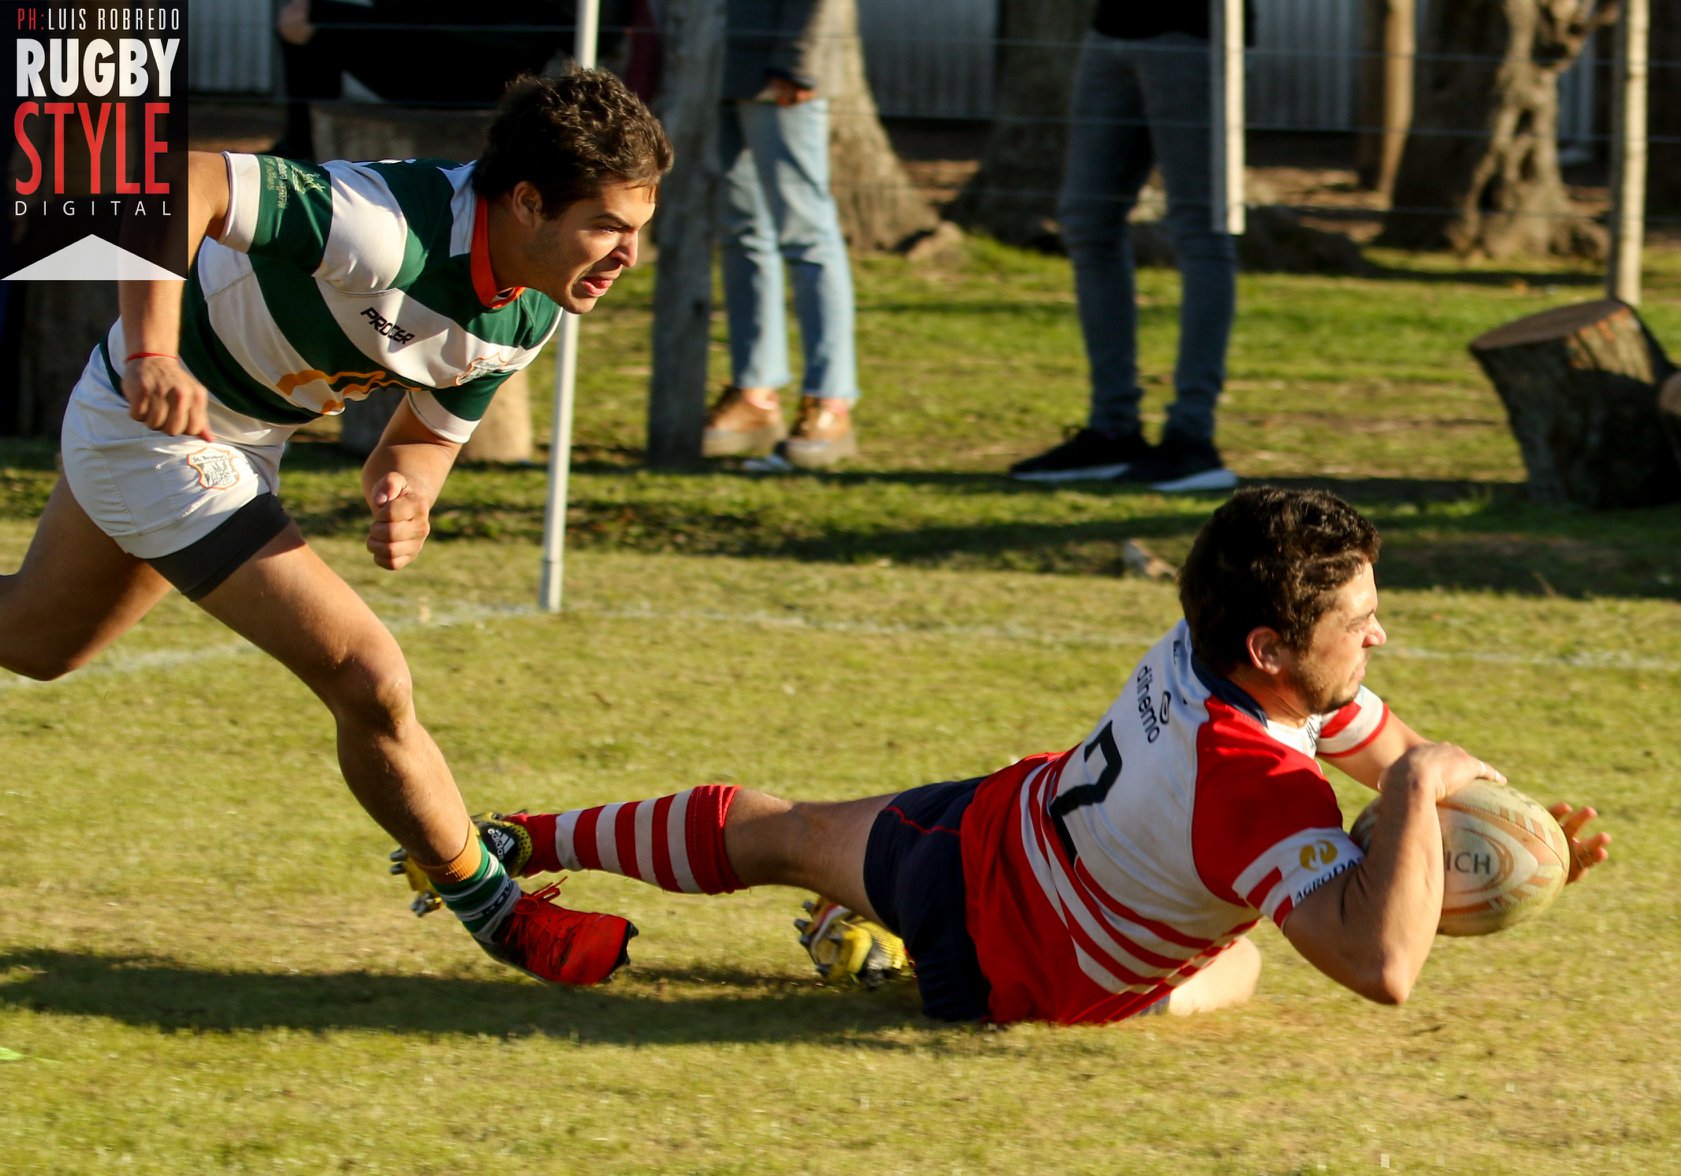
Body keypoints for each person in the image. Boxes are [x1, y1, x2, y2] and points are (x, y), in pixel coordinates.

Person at [406, 488, 1610, 1023]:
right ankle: (883, 970)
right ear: (1272, 647)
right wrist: (1414, 801)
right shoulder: (1260, 785)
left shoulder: (1209, 651)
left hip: (979, 837)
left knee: (770, 828)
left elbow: (1379, 740)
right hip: (1020, 974)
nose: (1381, 634)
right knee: (1237, 969)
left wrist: (1508, 832)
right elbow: (1380, 965)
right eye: (1361, 623)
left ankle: (506, 839)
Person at [0, 68, 672, 986]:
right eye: (609, 226)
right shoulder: (382, 227)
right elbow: (179, 180)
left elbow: (416, 446)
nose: (629, 253)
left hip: (237, 434)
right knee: (369, 676)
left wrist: (407, 494)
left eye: (639, 228)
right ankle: (499, 912)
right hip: (153, 428)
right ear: (525, 201)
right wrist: (156, 352)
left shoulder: (531, 308)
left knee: (38, 640)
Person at [1010, 3, 1254, 493]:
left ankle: (1191, 438)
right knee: (1086, 220)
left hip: (1195, 35)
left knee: (1202, 227)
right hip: (1111, 29)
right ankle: (1112, 428)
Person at [698, 0, 861, 470]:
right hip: (715, 63)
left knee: (807, 235)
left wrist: (799, 63)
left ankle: (830, 401)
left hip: (780, 67)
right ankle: (755, 392)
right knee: (739, 232)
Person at [270, 0, 631, 161]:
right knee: (301, 17)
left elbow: (596, 35)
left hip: (490, 76)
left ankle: (303, 150)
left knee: (302, 19)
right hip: (435, 57)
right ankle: (304, 149)